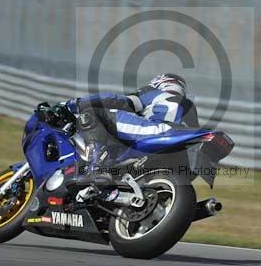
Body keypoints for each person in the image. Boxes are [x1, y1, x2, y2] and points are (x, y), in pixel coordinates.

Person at [50, 74, 198, 201]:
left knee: (94, 114)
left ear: (161, 82)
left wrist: (74, 104)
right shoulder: (190, 106)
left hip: (156, 131)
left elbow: (117, 100)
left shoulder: (154, 91)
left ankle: (95, 168)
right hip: (179, 154)